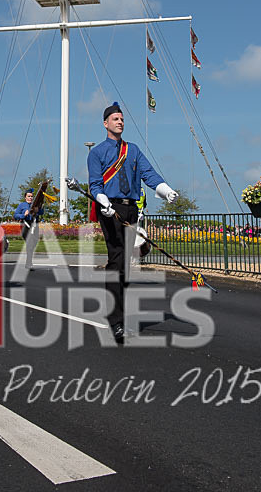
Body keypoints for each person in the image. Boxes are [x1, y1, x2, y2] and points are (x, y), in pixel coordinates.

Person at [88, 102, 178, 344]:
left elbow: (148, 173)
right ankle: (116, 321)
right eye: (115, 119)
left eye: (122, 119)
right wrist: (102, 199)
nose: (120, 122)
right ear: (105, 123)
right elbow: (95, 184)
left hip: (131, 208)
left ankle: (116, 310)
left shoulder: (133, 150)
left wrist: (164, 188)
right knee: (117, 260)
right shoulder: (96, 153)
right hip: (110, 208)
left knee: (125, 267)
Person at [14, 188, 43, 270]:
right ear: (25, 197)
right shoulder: (22, 205)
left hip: (34, 225)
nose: (30, 198)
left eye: (31, 196)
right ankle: (29, 263)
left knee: (34, 242)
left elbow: (41, 212)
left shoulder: (35, 205)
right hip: (25, 226)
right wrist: (23, 215)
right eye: (29, 196)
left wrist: (39, 209)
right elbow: (15, 215)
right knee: (29, 243)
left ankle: (29, 258)